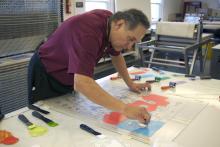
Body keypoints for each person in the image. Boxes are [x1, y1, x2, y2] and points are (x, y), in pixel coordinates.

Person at [28, 9, 151, 124]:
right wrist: (125, 109)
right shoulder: (88, 32)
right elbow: (82, 83)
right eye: (130, 39)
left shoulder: (110, 24)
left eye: (134, 42)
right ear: (119, 24)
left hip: (69, 77)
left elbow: (116, 56)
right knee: (45, 119)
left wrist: (130, 84)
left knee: (66, 119)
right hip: (47, 71)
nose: (129, 47)